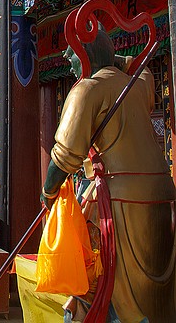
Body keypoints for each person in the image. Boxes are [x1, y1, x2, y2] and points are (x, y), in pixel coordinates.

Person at [41, 28, 176, 322]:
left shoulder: (86, 90)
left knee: (103, 282)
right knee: (154, 291)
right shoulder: (139, 83)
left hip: (117, 201)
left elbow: (63, 157)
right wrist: (111, 57)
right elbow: (138, 67)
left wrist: (48, 193)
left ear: (86, 56)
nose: (68, 61)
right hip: (162, 193)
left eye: (72, 53)